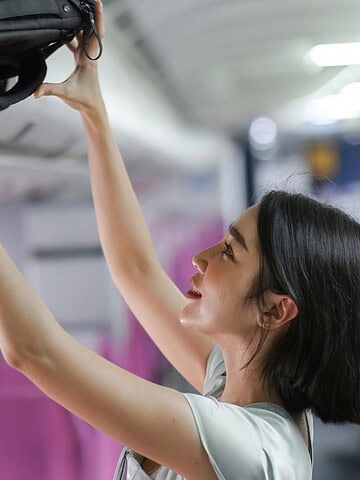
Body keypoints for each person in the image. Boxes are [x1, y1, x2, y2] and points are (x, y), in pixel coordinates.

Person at [0, 1, 359, 478]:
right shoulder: (243, 378)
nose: (201, 256)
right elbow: (136, 268)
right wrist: (94, 110)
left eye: (230, 251)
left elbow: (34, 351)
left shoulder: (253, 449)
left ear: (274, 310)